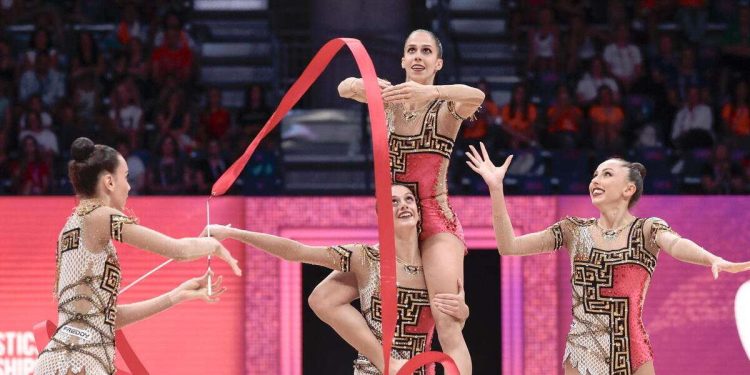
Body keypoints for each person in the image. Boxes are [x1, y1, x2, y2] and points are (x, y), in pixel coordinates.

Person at [465, 142, 750, 375]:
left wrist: (711, 258)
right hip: (582, 353)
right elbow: (509, 246)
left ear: (629, 190)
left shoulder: (647, 229)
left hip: (633, 352)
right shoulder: (573, 230)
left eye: (607, 174)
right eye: (595, 175)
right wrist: (496, 189)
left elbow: (676, 245)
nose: (596, 180)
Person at [334, 29, 484, 374]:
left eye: (426, 51)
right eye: (411, 50)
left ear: (438, 62)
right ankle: (387, 362)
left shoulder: (445, 107)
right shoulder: (387, 100)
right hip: (396, 223)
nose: (418, 56)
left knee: (447, 323)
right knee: (327, 298)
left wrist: (428, 91)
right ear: (402, 60)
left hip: (434, 222)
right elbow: (343, 87)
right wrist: (362, 85)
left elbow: (475, 95)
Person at [203, 185, 468, 374]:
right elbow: (298, 251)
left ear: (420, 212)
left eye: (409, 199)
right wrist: (233, 233)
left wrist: (463, 312)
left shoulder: (436, 264)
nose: (404, 206)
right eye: (394, 202)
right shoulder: (365, 257)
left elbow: (450, 324)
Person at [34, 137, 241, 375]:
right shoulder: (100, 216)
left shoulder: (74, 225)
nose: (129, 186)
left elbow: (104, 319)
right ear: (109, 181)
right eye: (126, 177)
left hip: (73, 357)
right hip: (78, 360)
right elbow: (178, 250)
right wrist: (212, 244)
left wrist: (176, 296)